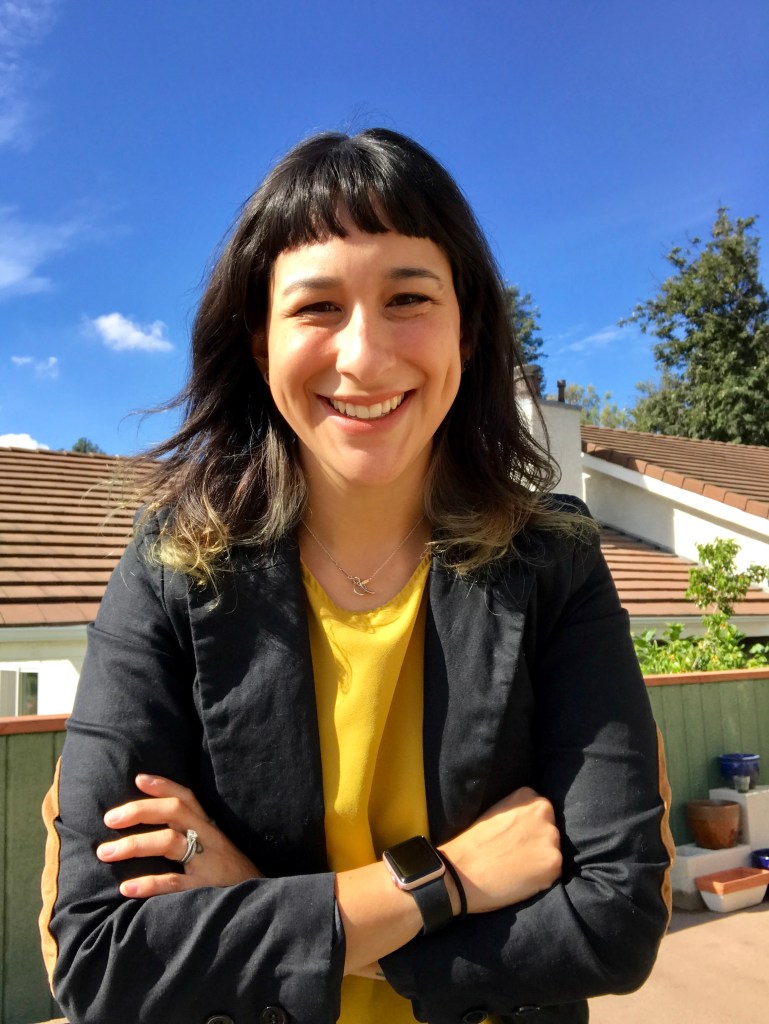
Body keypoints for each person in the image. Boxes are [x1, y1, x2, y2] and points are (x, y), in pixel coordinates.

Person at [40, 128, 673, 1024]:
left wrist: (267, 909)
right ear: (259, 344)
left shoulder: (552, 564)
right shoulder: (171, 570)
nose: (364, 356)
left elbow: (613, 924)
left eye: (408, 296)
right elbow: (103, 959)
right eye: (317, 307)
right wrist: (441, 884)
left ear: (469, 330)